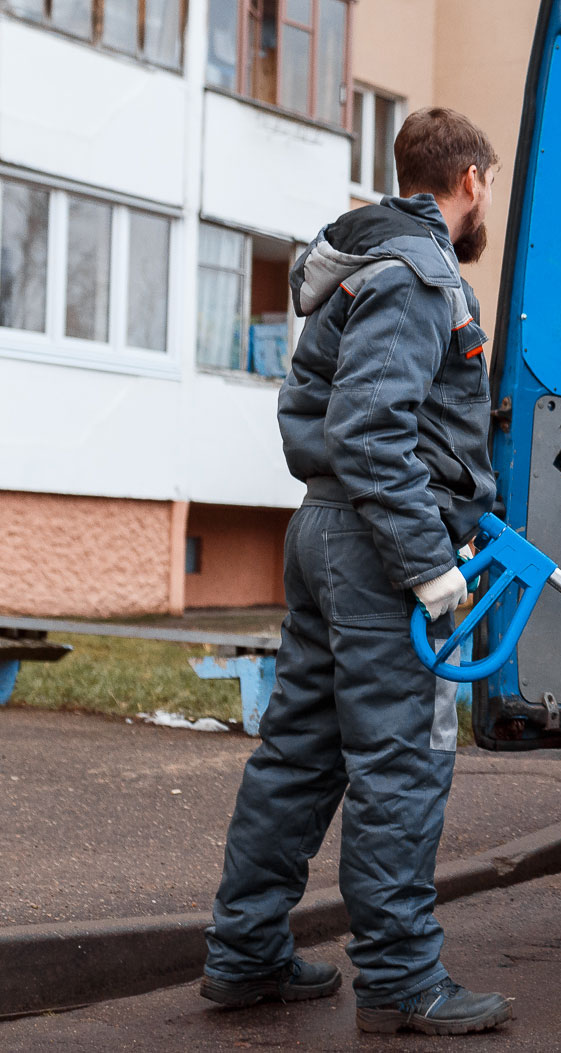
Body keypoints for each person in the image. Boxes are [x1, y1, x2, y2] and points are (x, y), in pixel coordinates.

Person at [200, 108, 512, 1036]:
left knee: (301, 750)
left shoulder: (362, 261)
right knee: (401, 760)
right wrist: (429, 570)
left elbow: (355, 426)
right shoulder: (421, 275)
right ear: (468, 181)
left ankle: (246, 952)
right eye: (486, 182)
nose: (485, 195)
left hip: (327, 530)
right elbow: (374, 431)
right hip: (377, 548)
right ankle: (403, 979)